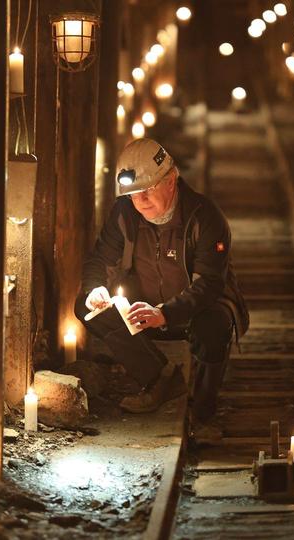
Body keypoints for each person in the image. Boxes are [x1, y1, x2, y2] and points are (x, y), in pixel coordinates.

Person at [74, 138, 248, 439]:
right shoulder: (124, 214)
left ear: (171, 180)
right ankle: (159, 378)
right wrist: (95, 290)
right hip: (143, 310)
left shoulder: (205, 217)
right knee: (85, 307)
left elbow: (209, 284)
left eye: (146, 191)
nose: (139, 201)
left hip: (192, 312)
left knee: (215, 326)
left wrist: (165, 313)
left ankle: (201, 413)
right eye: (132, 195)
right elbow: (100, 260)